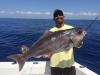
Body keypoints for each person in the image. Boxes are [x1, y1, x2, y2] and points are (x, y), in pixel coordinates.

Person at [47, 9, 76, 75]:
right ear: (53, 19)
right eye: (56, 15)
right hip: (55, 65)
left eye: (60, 14)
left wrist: (79, 39)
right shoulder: (50, 32)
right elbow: (47, 48)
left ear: (64, 16)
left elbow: (78, 44)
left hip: (69, 64)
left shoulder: (71, 29)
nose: (58, 16)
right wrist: (46, 53)